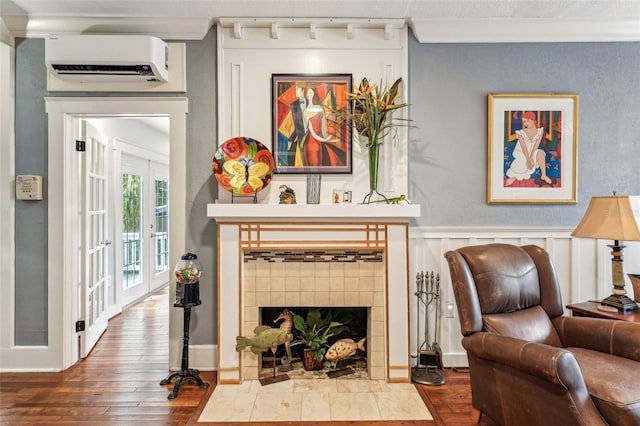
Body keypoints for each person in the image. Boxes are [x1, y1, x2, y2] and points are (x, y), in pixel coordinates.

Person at [505, 111, 552, 186]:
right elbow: (523, 147)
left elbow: (536, 145)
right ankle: (514, 177)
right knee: (522, 164)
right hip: (522, 153)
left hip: (532, 152)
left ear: (533, 119)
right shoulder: (521, 133)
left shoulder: (539, 131)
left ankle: (544, 175)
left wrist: (531, 156)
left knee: (540, 153)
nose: (525, 123)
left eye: (527, 120)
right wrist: (528, 158)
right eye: (524, 122)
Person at [300, 86, 339, 167]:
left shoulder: (319, 108)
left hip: (319, 142)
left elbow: (324, 127)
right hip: (311, 144)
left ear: (314, 94)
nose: (308, 95)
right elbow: (313, 133)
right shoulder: (305, 112)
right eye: (307, 93)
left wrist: (327, 138)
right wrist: (325, 140)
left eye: (310, 92)